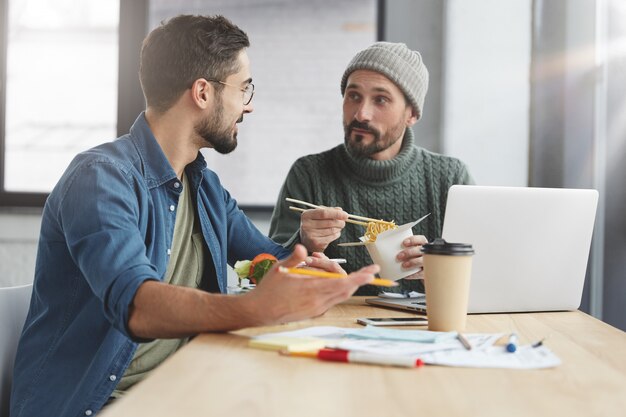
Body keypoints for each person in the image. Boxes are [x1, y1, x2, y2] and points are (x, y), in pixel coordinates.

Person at [10, 15, 378, 417]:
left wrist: (307, 260)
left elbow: (263, 263)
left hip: (186, 387)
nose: (248, 106)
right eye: (244, 89)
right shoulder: (101, 179)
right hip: (101, 405)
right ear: (203, 92)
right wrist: (254, 308)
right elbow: (137, 305)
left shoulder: (204, 185)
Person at [269, 42, 473, 296]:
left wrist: (441, 275)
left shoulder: (451, 178)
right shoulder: (309, 173)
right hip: (334, 327)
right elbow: (268, 273)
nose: (361, 113)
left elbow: (480, 282)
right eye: (353, 96)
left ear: (411, 114)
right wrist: (302, 244)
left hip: (427, 328)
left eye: (381, 100)